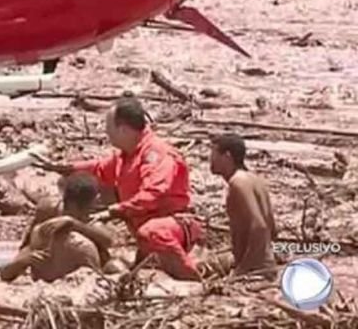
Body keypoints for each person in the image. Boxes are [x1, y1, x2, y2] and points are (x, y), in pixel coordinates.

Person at [33, 98, 203, 281]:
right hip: (143, 230)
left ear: (123, 129)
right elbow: (99, 169)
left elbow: (153, 194)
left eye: (109, 128)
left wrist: (113, 211)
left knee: (152, 232)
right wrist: (67, 168)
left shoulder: (155, 153)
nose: (107, 133)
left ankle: (194, 279)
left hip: (174, 226)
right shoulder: (126, 155)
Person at [0, 173, 126, 283]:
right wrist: (22, 261)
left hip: (83, 270)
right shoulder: (48, 209)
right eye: (70, 209)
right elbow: (25, 248)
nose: (76, 213)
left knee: (116, 268)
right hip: (48, 266)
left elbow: (109, 241)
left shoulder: (90, 222)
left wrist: (74, 223)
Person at [209, 133, 277, 278]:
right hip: (264, 266)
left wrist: (242, 270)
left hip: (255, 272)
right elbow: (272, 228)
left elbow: (260, 226)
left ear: (227, 157)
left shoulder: (238, 182)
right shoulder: (255, 179)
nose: (211, 160)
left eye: (214, 154)